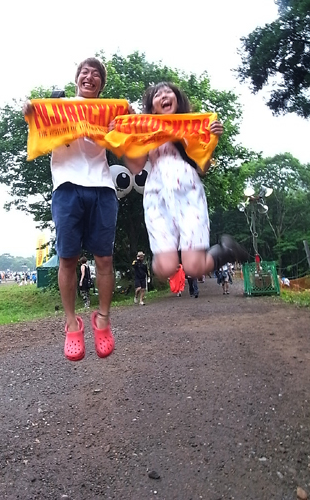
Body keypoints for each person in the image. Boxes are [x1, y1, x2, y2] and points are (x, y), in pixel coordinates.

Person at [23, 57, 131, 361]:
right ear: (77, 78)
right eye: (85, 72)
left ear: (101, 85)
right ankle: (71, 323)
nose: (90, 76)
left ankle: (103, 319)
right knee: (67, 258)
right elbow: (34, 121)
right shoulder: (58, 106)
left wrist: (125, 122)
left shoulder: (109, 112)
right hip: (67, 185)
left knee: (104, 258)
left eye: (96, 74)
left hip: (102, 185)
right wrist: (29, 111)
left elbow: (124, 145)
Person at [123, 82, 248, 280]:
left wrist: (212, 140)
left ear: (177, 100)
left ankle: (226, 251)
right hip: (157, 196)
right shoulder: (145, 130)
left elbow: (202, 168)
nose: (164, 96)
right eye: (158, 95)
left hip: (188, 192)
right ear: (152, 107)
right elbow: (136, 166)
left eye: (168, 92)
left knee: (194, 268)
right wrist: (128, 134)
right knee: (165, 268)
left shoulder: (193, 127)